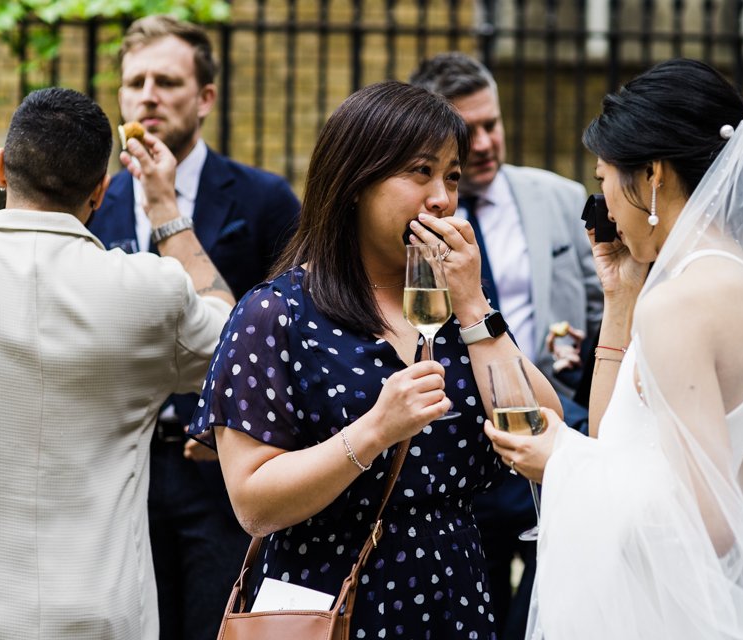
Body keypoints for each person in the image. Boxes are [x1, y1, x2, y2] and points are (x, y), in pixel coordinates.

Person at [485, 58, 743, 639]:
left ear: (653, 175)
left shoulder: (682, 305)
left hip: (656, 612)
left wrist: (561, 463)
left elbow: (709, 521)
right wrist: (620, 297)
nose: (604, 202)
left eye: (604, 177)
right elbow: (618, 439)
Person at [188, 80, 561, 639]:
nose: (441, 197)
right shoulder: (276, 314)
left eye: (451, 176)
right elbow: (252, 502)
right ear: (356, 182)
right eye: (420, 172)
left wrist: (475, 303)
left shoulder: (456, 311)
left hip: (455, 599)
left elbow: (540, 427)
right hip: (331, 602)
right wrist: (375, 431)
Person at [0, 87, 234, 639]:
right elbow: (232, 341)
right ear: (101, 189)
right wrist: (167, 213)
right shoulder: (147, 292)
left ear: (3, 169)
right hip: (104, 615)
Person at [87, 15, 300, 639]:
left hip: (218, 473)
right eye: (135, 83)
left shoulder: (262, 198)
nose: (147, 95)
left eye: (166, 81)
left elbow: (294, 329)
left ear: (205, 97)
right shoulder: (96, 199)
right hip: (122, 470)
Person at [409, 52, 602, 639]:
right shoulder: (415, 216)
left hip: (550, 422)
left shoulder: (559, 196)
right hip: (462, 446)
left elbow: (598, 301)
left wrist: (579, 360)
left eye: (492, 124)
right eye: (470, 132)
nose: (487, 143)